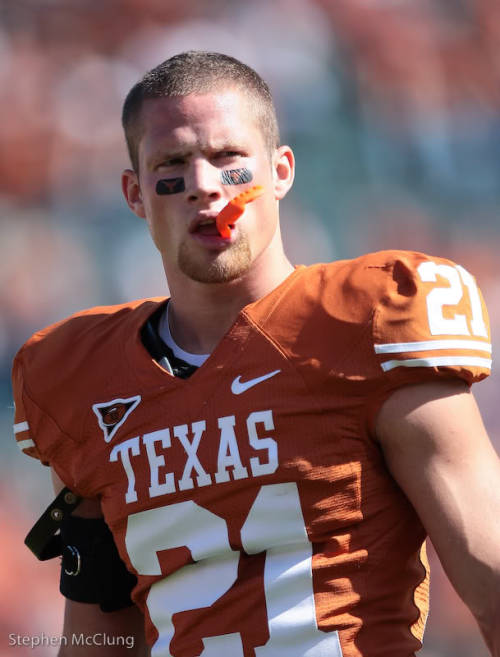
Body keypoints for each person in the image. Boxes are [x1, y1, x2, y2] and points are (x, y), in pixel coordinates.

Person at [12, 51, 500, 657]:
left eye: (228, 158)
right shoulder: (82, 379)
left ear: (282, 170)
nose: (204, 186)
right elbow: (96, 634)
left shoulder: (366, 322)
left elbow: (491, 572)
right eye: (173, 164)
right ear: (136, 194)